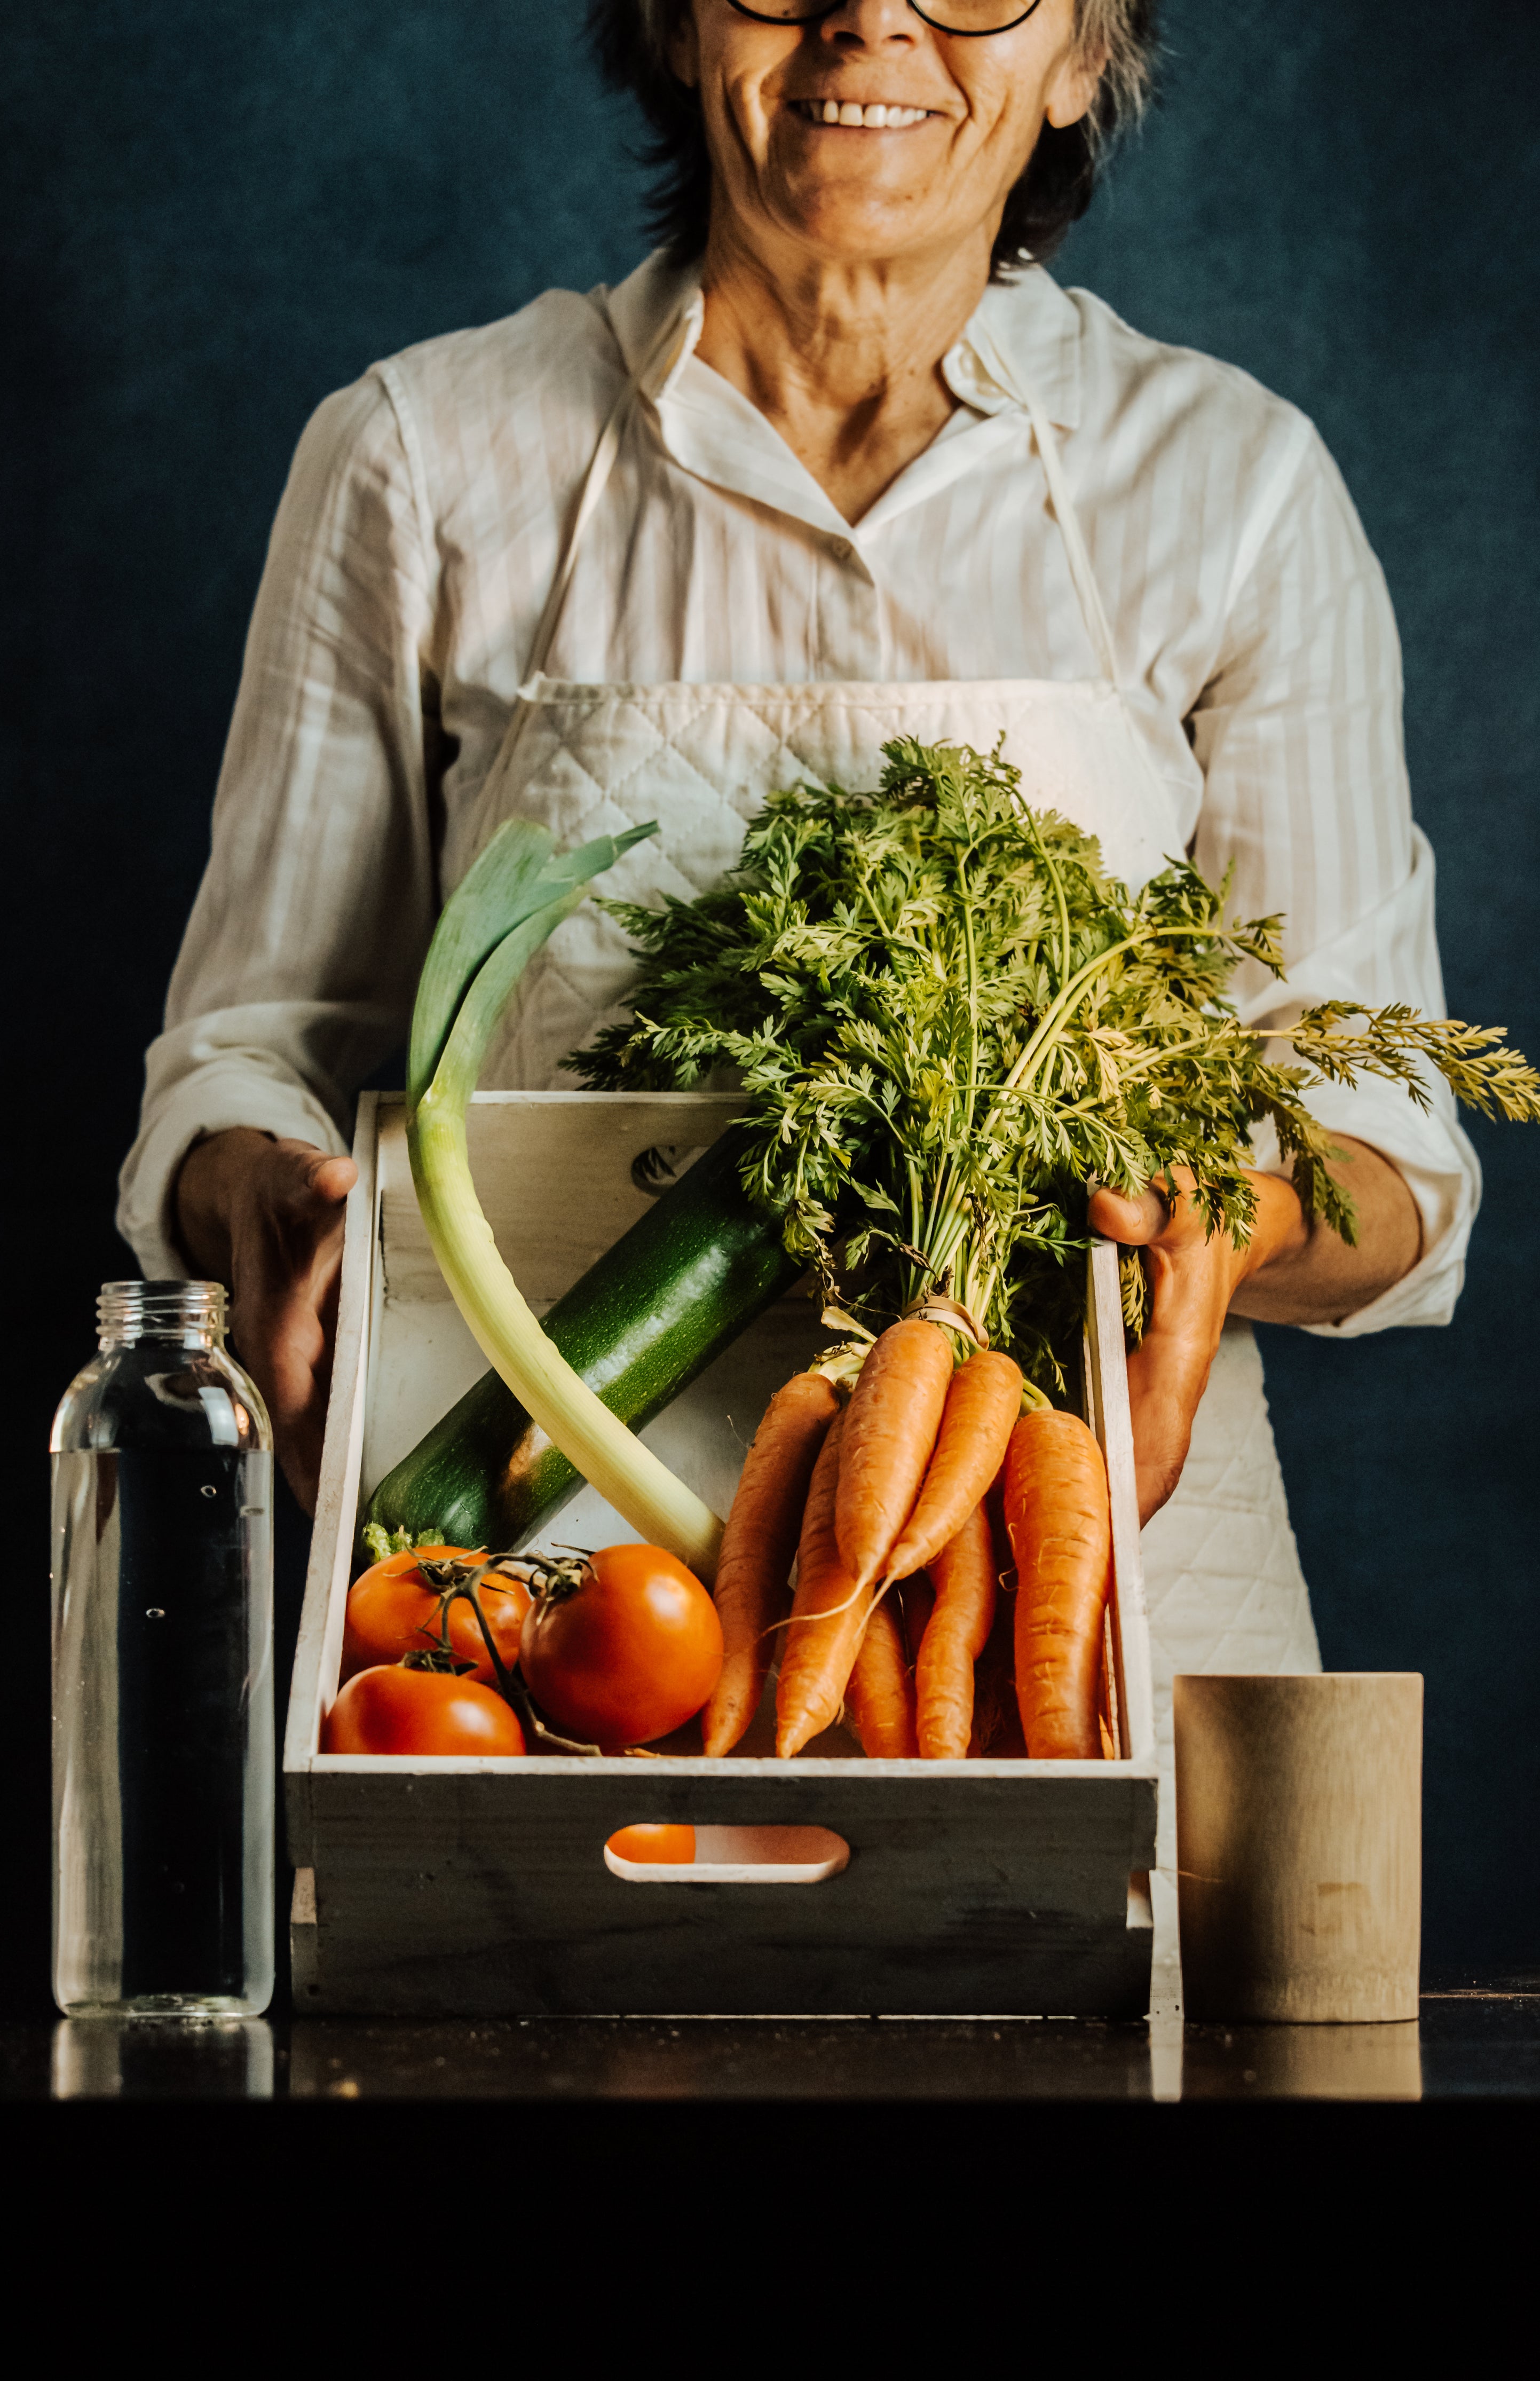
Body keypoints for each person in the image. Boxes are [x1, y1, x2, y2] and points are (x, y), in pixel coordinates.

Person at [119, 0, 1477, 1833]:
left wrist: (1204, 1230)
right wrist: (250, 1187)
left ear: (1083, 56)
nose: (874, 13)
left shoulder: (1228, 494)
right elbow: (244, 1048)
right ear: (675, 25)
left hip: (1095, 1633)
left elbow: (1391, 1158)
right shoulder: (422, 461)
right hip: (567, 1624)